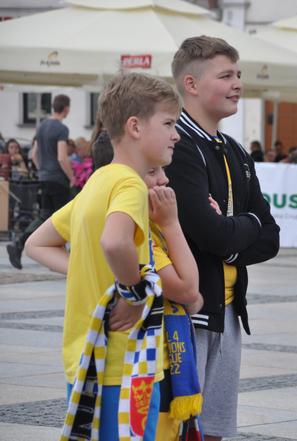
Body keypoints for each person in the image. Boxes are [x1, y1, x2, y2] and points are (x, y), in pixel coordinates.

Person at [24, 72, 181, 440]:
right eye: (169, 123)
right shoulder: (129, 183)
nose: (176, 134)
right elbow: (115, 242)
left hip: (86, 361)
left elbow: (37, 243)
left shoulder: (99, 180)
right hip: (126, 367)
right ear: (135, 127)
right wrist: (133, 292)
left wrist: (84, 272)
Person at [166, 35, 280, 441]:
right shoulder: (176, 145)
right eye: (226, 75)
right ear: (192, 84)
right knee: (179, 427)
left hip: (228, 309)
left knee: (214, 428)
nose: (238, 84)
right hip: (186, 312)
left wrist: (233, 230)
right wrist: (241, 228)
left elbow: (271, 238)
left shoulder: (234, 149)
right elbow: (207, 232)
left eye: (239, 74)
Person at [6, 94, 74, 270]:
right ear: (66, 109)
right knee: (67, 218)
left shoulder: (42, 126)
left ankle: (19, 244)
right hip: (58, 179)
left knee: (46, 215)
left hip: (44, 177)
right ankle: (68, 258)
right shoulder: (61, 129)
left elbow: (34, 154)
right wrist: (72, 177)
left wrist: (42, 170)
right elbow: (61, 157)